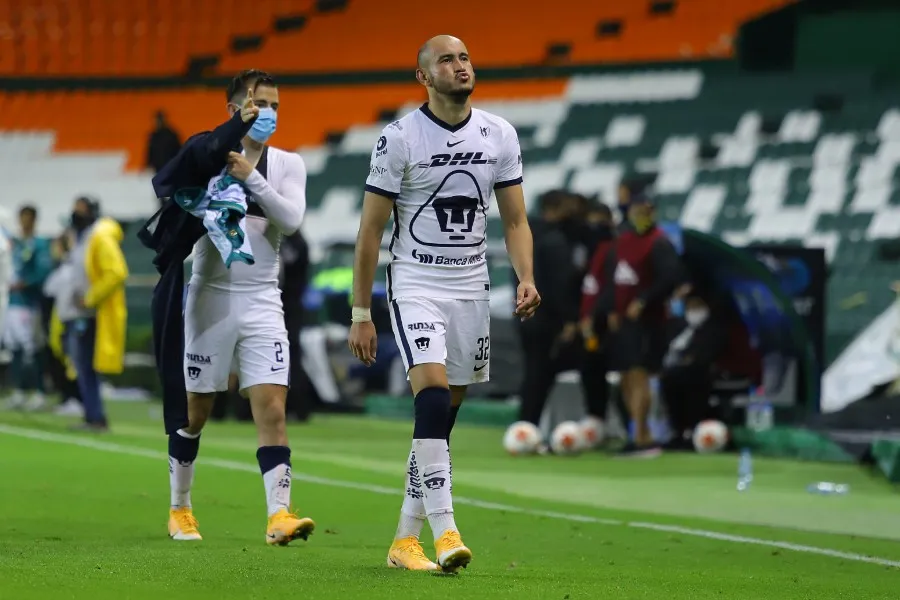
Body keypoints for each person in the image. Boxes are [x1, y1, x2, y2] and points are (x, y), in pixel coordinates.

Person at [348, 35, 540, 572]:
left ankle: (403, 541)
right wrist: (362, 313)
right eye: (446, 60)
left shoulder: (499, 133)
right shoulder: (399, 138)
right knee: (430, 394)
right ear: (423, 77)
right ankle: (446, 529)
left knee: (441, 418)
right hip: (414, 282)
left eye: (464, 58)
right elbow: (370, 231)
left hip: (471, 286)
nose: (460, 66)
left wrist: (526, 276)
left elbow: (516, 220)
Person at [164, 69, 314, 546]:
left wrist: (254, 180)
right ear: (234, 109)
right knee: (195, 412)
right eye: (258, 104)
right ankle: (180, 508)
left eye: (274, 105)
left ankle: (279, 515)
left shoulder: (287, 164)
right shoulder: (206, 158)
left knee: (271, 406)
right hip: (210, 296)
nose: (267, 114)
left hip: (263, 298)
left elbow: (291, 221)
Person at [592, 192, 683, 457]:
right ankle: (638, 431)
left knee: (640, 373)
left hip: (647, 321)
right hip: (623, 321)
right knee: (627, 375)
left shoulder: (659, 243)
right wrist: (610, 309)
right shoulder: (623, 243)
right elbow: (612, 279)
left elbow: (670, 278)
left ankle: (642, 434)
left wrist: (643, 300)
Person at [516, 190, 581, 426]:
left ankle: (526, 423)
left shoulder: (526, 235)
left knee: (532, 371)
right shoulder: (555, 240)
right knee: (540, 373)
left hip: (524, 315)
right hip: (547, 317)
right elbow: (560, 284)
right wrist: (570, 319)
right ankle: (528, 425)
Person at [68, 197, 128, 432]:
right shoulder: (85, 236)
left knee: (87, 366)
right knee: (83, 366)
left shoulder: (100, 237)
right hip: (85, 311)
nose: (76, 214)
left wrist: (90, 298)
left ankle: (96, 417)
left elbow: (116, 272)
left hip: (94, 313)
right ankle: (91, 414)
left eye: (80, 210)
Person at [659, 292, 727, 449]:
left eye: (697, 306)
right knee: (669, 381)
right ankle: (676, 432)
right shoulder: (675, 326)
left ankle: (691, 431)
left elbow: (708, 353)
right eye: (690, 307)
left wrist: (690, 360)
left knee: (692, 380)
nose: (694, 311)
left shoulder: (713, 329)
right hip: (672, 372)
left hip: (699, 371)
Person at [4, 205, 52, 410]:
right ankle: (19, 391)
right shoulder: (14, 244)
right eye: (21, 218)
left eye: (28, 218)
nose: (24, 222)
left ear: (34, 220)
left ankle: (40, 391)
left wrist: (26, 283)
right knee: (14, 348)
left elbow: (43, 272)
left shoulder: (39, 245)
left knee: (32, 348)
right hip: (12, 303)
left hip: (29, 304)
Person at [147, 110, 183, 175]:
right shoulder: (154, 136)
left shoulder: (171, 135)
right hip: (158, 170)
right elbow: (150, 153)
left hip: (170, 169)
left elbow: (179, 152)